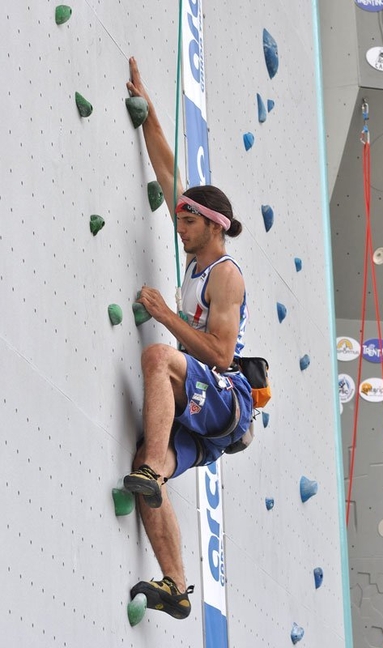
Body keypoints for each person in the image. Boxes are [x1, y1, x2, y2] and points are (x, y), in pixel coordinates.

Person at [123, 57, 253, 620]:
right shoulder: (196, 252)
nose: (180, 229)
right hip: (205, 416)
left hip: (226, 397)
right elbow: (168, 168)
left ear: (214, 225)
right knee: (145, 469)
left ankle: (154, 468)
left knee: (158, 355)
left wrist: (164, 315)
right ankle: (175, 583)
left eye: (188, 222)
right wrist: (148, 108)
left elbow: (222, 354)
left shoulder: (224, 274)